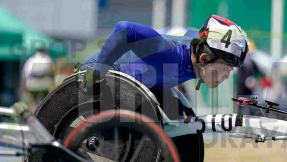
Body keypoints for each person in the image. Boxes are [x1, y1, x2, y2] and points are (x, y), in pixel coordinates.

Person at [83, 15, 249, 119]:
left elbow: (192, 35)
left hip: (140, 85)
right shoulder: (169, 54)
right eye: (226, 68)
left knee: (178, 114)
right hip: (99, 77)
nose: (227, 76)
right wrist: (97, 73)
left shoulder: (198, 56)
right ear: (204, 58)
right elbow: (125, 29)